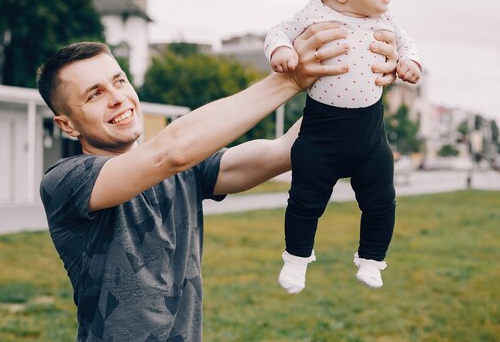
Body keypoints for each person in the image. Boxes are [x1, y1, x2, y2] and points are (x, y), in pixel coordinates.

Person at [36, 23, 400, 342]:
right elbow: (169, 152)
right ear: (66, 124)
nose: (118, 98)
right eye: (95, 94)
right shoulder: (67, 181)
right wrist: (288, 80)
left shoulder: (188, 169)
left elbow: (286, 150)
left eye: (119, 81)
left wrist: (355, 83)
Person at [264, 0, 423, 294]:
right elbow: (278, 31)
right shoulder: (315, 14)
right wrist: (281, 53)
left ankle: (371, 259)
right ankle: (296, 259)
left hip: (370, 135)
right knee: (304, 202)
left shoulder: (388, 21)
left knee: (382, 201)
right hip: (321, 134)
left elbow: (407, 44)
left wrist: (410, 62)